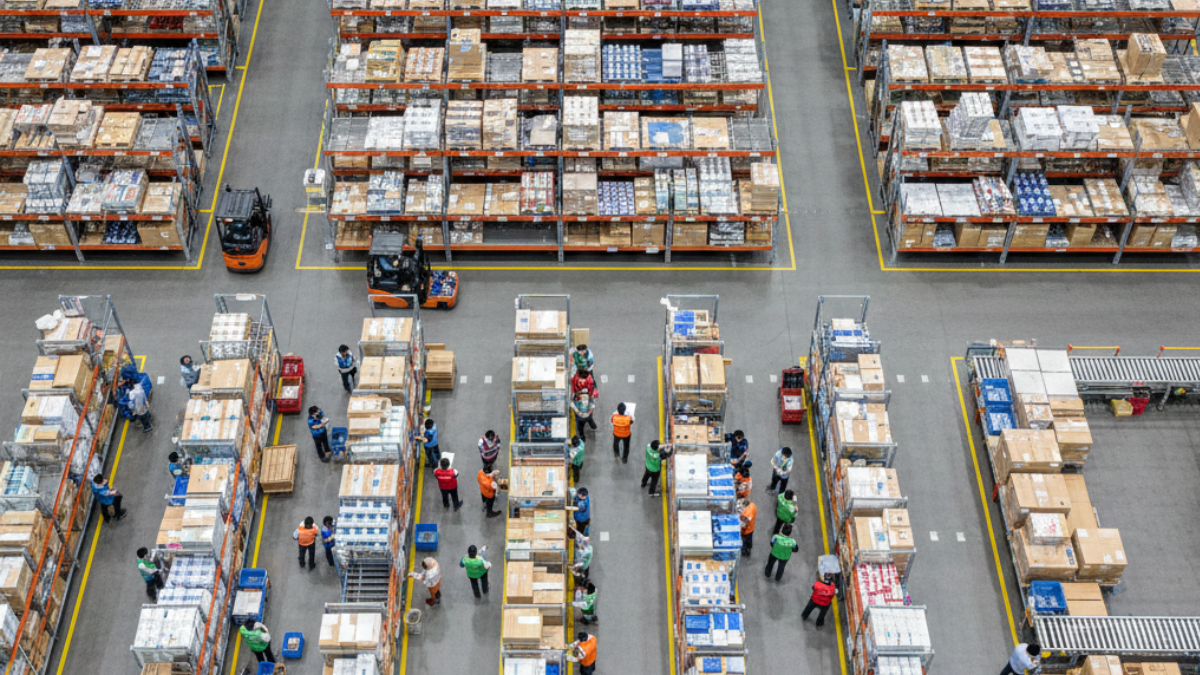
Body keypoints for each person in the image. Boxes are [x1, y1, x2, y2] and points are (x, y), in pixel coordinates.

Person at [116, 364, 154, 433]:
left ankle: (147, 427)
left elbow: (132, 404)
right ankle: (149, 418)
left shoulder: (132, 393)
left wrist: (133, 410)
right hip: (143, 404)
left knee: (142, 419)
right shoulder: (138, 386)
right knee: (146, 414)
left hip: (139, 409)